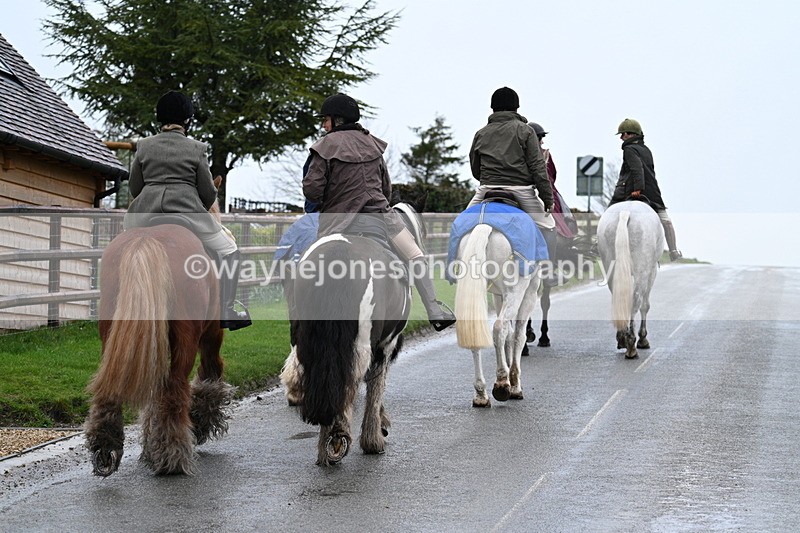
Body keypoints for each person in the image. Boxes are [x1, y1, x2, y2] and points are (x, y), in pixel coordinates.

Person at [302, 93, 455, 331]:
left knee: (307, 264)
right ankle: (435, 310)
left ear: (338, 120)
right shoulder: (373, 144)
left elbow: (312, 191)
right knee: (416, 256)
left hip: (338, 223)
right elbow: (386, 188)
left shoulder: (324, 147)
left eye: (326, 119)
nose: (323, 124)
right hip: (381, 219)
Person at [124, 90, 252, 330]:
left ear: (160, 119)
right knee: (230, 248)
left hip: (145, 214)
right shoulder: (197, 149)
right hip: (187, 213)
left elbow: (135, 187)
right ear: (187, 120)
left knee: (121, 249)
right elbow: (207, 192)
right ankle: (226, 309)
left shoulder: (144, 146)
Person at [467, 87, 557, 277]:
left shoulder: (481, 133)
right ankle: (549, 272)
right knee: (549, 225)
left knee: (460, 223)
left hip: (486, 189)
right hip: (520, 191)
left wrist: (490, 180)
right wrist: (547, 199)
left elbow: (475, 168)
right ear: (516, 107)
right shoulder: (525, 131)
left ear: (493, 108)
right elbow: (538, 168)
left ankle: (456, 269)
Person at [610, 118, 682, 261]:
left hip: (631, 190)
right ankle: (673, 250)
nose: (620, 138)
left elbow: (637, 169)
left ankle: (598, 244)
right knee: (666, 220)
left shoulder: (628, 149)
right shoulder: (647, 150)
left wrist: (637, 188)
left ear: (630, 134)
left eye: (622, 134)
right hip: (652, 192)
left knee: (610, 214)